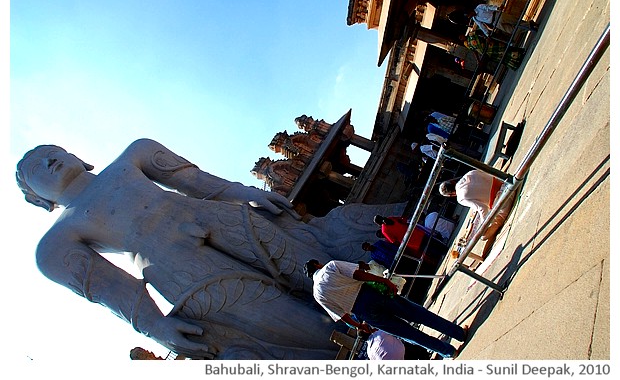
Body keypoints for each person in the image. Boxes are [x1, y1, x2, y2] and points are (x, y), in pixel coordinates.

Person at [16, 139, 405, 360]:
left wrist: (248, 193)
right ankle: (370, 354)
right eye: (35, 169)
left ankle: (396, 311)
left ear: (76, 155)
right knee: (287, 321)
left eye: (51, 151)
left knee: (315, 273)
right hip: (184, 272)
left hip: (223, 222)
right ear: (39, 199)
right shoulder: (55, 245)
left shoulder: (133, 155)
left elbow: (199, 182)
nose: (48, 160)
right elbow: (112, 289)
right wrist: (154, 325)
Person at [304, 259, 468, 358]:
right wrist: (383, 281)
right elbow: (359, 274)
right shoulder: (330, 267)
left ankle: (448, 352)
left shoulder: (317, 294)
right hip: (371, 294)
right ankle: (458, 333)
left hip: (364, 312)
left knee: (408, 334)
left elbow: (340, 316)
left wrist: (359, 326)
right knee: (418, 314)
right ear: (317, 264)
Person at [439, 169, 515, 258]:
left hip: (504, 200)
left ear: (451, 195)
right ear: (452, 181)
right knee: (484, 216)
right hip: (506, 185)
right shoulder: (470, 173)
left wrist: (482, 227)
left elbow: (483, 209)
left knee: (483, 235)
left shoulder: (460, 198)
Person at [460, 31, 525, 70]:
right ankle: (515, 63)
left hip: (490, 45)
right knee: (501, 58)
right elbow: (474, 51)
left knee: (504, 49)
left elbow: (481, 33)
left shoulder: (472, 34)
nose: (462, 38)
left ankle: (519, 53)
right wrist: (478, 60)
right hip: (487, 52)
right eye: (460, 39)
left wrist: (486, 38)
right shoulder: (468, 44)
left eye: (461, 37)